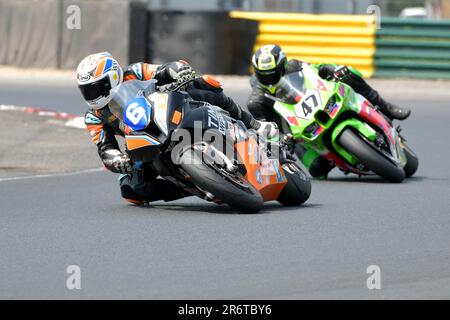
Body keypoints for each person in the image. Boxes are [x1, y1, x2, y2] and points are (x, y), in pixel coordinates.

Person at [77, 52, 277, 205]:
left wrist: (175, 70)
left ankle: (254, 124)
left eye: (95, 87)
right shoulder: (93, 116)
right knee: (131, 190)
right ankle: (198, 187)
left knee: (202, 83)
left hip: (167, 108)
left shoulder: (133, 72)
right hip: (142, 142)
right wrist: (117, 160)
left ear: (111, 77)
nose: (90, 94)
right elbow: (105, 148)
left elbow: (160, 70)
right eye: (86, 90)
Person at [246, 44, 412, 179]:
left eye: (273, 74)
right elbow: (265, 129)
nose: (269, 79)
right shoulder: (256, 101)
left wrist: (332, 70)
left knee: (348, 73)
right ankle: (332, 158)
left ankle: (386, 107)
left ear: (282, 66)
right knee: (317, 169)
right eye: (264, 75)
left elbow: (317, 69)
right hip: (294, 131)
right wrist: (283, 139)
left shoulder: (294, 65)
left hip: (316, 103)